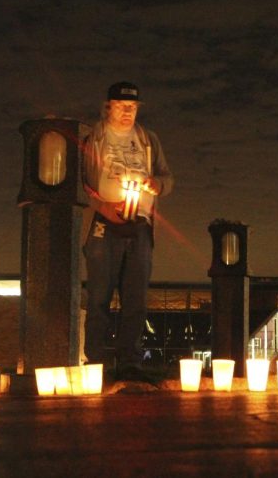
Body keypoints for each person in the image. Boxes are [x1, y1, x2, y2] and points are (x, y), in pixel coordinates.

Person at [81, 81, 173, 380]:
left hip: (140, 225)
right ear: (108, 106)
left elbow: (166, 177)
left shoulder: (148, 139)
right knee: (99, 296)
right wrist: (102, 207)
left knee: (136, 298)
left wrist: (156, 185)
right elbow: (79, 181)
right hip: (103, 226)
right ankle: (96, 362)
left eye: (132, 108)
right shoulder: (92, 137)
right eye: (121, 107)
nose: (127, 113)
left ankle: (130, 362)